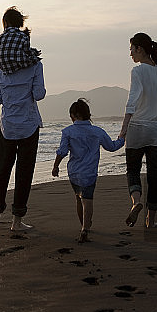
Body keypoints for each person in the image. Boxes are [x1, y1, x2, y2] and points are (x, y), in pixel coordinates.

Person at [0, 7, 46, 232]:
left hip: (8, 127)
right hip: (29, 125)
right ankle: (17, 220)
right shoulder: (35, 65)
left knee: (2, 170)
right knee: (24, 173)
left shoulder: (0, 71)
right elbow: (39, 94)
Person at [118, 33, 157, 228]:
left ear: (140, 49)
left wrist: (124, 128)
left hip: (137, 128)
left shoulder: (138, 71)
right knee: (154, 176)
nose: (130, 54)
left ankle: (136, 203)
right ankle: (150, 221)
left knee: (133, 171)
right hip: (155, 129)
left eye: (131, 50)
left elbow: (132, 100)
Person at [52, 99, 124, 242]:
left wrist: (55, 166)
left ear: (73, 115)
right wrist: (122, 139)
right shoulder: (97, 132)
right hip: (90, 172)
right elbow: (112, 147)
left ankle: (84, 225)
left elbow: (62, 152)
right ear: (88, 114)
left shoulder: (68, 131)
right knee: (88, 200)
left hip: (73, 172)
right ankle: (85, 228)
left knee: (79, 199)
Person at [0, 6, 41, 75]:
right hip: (19, 65)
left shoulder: (2, 36)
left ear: (5, 23)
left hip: (5, 67)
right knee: (37, 60)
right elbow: (27, 52)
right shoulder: (23, 36)